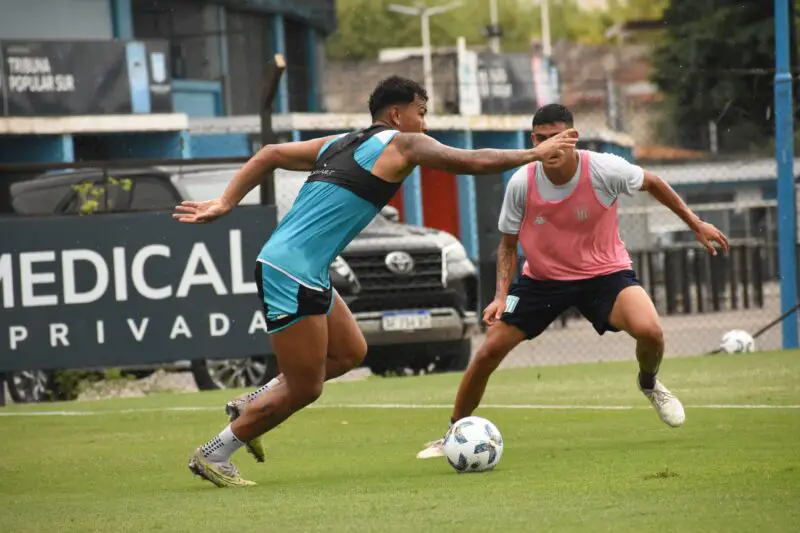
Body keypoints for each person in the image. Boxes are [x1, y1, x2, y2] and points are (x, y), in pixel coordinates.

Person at [173, 76, 579, 487]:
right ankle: (216, 453)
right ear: (396, 115)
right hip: (289, 270)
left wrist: (226, 202)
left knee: (350, 351)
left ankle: (254, 403)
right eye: (421, 114)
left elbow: (271, 153)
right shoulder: (404, 143)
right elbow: (471, 161)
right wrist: (534, 152)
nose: (425, 125)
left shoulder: (340, 143)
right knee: (306, 387)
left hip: (304, 269)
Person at [416, 103, 729, 460]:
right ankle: (453, 433)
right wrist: (501, 295)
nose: (548, 146)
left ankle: (649, 383)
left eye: (556, 138)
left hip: (605, 275)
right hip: (542, 281)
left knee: (651, 332)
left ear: (572, 138)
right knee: (487, 352)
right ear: (532, 140)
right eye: (540, 139)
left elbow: (654, 183)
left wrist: (696, 224)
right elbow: (507, 244)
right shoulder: (522, 181)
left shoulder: (604, 169)